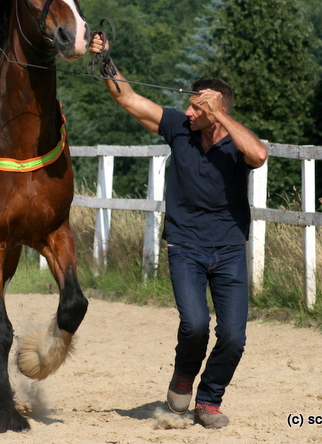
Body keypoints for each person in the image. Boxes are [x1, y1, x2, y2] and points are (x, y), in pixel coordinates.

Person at [88, 34, 268, 429]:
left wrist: (220, 116)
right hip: (185, 245)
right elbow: (128, 99)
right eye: (188, 103)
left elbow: (258, 155)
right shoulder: (178, 128)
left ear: (215, 107)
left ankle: (209, 401)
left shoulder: (237, 141)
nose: (188, 111)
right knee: (195, 324)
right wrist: (106, 60)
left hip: (230, 248)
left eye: (196, 105)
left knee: (234, 337)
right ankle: (184, 377)